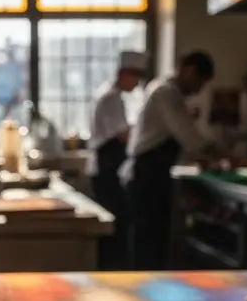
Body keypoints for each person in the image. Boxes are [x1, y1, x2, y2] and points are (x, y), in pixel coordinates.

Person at [121, 51, 222, 270]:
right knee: (148, 241)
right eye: (200, 82)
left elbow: (179, 138)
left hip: (152, 174)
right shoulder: (166, 93)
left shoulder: (165, 91)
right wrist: (219, 154)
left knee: (150, 239)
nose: (199, 89)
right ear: (189, 71)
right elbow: (188, 136)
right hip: (146, 175)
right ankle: (146, 290)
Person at [89, 50, 148, 270]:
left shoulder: (110, 95)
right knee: (116, 225)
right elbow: (123, 135)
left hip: (107, 169)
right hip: (106, 170)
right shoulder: (111, 98)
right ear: (123, 73)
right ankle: (113, 271)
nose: (137, 82)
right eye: (136, 76)